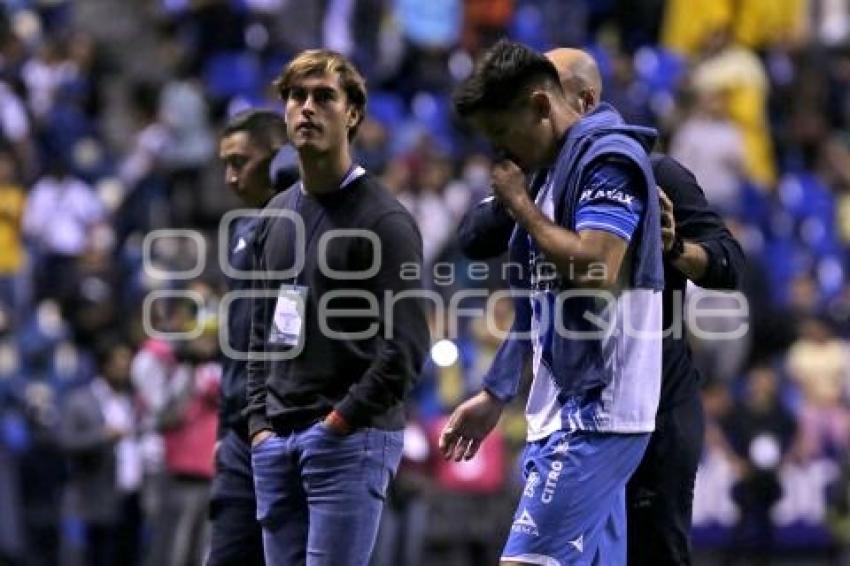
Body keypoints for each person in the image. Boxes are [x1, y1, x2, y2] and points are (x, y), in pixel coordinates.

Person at [448, 47, 745, 565]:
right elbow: (478, 240)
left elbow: (728, 265)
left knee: (652, 553)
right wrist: (499, 390)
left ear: (577, 101)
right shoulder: (540, 174)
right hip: (571, 394)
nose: (503, 150)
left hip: (649, 397)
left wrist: (674, 248)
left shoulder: (647, 170)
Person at [245, 49, 430, 565]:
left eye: (324, 96)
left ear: (352, 114)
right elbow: (261, 330)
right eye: (296, 97)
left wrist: (340, 422)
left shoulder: (385, 220)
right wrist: (260, 423)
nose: (307, 108)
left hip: (348, 441)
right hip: (277, 441)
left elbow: (408, 346)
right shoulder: (275, 215)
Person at [208, 109, 296, 566]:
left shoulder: (308, 224)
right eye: (225, 163)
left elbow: (291, 323)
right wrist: (226, 429)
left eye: (240, 161)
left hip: (286, 429)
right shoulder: (242, 232)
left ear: (278, 158)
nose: (229, 177)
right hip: (239, 435)